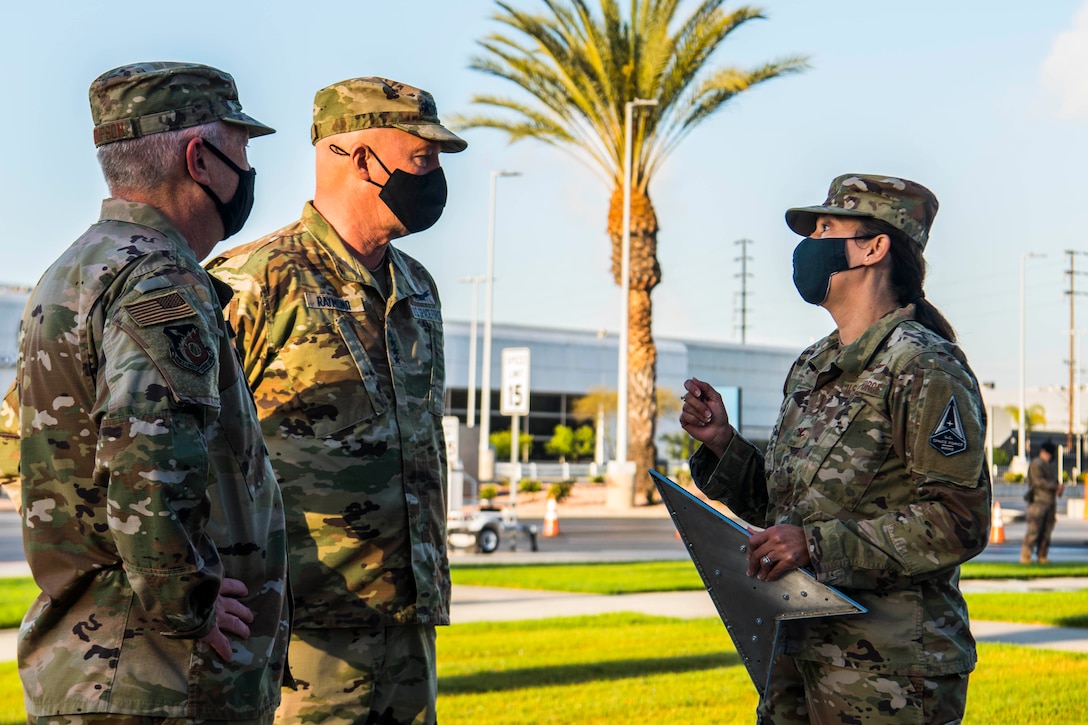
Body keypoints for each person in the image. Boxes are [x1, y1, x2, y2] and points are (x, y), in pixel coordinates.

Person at [3, 62, 291, 723]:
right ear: (200, 158)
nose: (248, 168)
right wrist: (188, 602)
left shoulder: (73, 270)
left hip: (95, 669)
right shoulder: (159, 278)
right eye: (241, 148)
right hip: (161, 679)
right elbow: (148, 456)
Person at [680, 174, 992, 724]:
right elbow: (785, 512)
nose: (810, 244)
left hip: (890, 672)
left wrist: (816, 546)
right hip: (797, 649)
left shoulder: (923, 364)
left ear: (874, 248)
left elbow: (959, 520)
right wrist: (723, 445)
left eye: (826, 228)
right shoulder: (813, 364)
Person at [206, 76, 466, 725]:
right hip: (299, 633)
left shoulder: (418, 288)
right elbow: (183, 443)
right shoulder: (252, 282)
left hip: (409, 623)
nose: (433, 177)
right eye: (421, 158)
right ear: (361, 159)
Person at [1021, 441, 1063, 563]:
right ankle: (1026, 556)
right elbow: (1038, 482)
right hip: (1038, 502)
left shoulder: (1049, 465)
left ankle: (1042, 555)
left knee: (1046, 532)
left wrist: (1059, 488)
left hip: (1049, 503)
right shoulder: (1037, 464)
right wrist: (1055, 486)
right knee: (1033, 531)